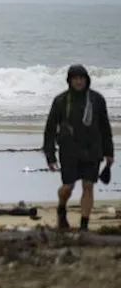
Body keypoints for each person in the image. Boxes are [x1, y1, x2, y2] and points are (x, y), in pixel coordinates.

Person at [43, 64, 114, 231]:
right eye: (75, 78)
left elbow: (105, 127)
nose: (79, 81)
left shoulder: (97, 100)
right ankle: (61, 208)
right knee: (68, 187)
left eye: (81, 78)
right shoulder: (60, 101)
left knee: (88, 185)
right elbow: (50, 130)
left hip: (93, 150)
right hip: (69, 151)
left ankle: (84, 225)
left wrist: (109, 152)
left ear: (86, 80)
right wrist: (50, 156)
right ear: (69, 81)